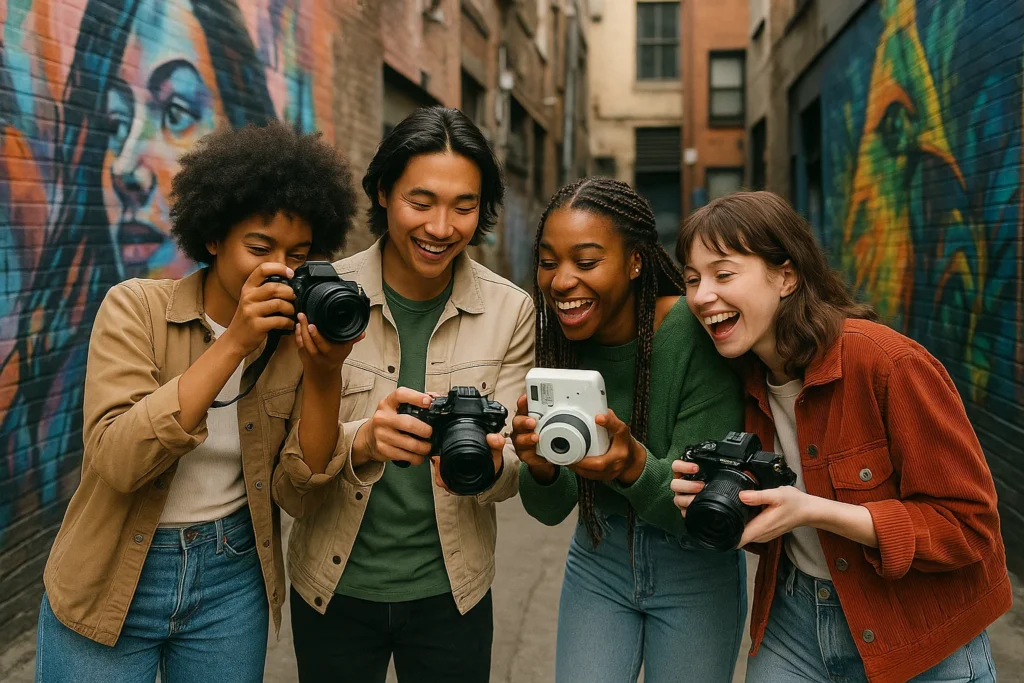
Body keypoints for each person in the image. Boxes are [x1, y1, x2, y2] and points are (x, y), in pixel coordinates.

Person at [34, 121, 361, 682]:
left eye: (297, 253)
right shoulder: (135, 308)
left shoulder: (295, 338)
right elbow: (117, 460)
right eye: (259, 248)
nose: (278, 268)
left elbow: (299, 494)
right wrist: (234, 341)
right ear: (213, 237)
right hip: (111, 566)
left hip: (231, 576)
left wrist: (325, 375)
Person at [672, 191, 1011, 683]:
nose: (702, 296)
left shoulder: (888, 365)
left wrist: (816, 511)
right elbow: (779, 525)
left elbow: (970, 528)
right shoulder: (739, 382)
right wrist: (722, 502)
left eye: (724, 274)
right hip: (794, 620)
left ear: (786, 276)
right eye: (692, 279)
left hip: (917, 634)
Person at [274, 106, 534, 683]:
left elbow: (514, 466)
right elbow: (287, 474)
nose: (441, 228)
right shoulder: (321, 298)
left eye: (464, 207)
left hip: (453, 592)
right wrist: (361, 442)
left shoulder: (511, 310)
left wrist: (493, 462)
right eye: (421, 202)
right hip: (333, 586)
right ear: (384, 192)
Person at [510, 177, 747, 683]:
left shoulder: (694, 333)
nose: (560, 281)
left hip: (694, 569)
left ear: (636, 262)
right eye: (549, 262)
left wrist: (631, 465)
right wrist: (540, 468)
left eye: (587, 261)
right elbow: (550, 512)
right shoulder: (564, 343)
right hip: (600, 558)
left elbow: (701, 506)